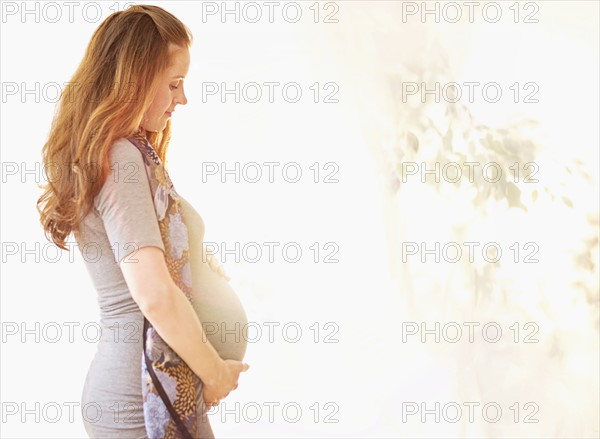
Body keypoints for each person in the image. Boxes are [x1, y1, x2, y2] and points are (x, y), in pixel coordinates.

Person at [36, 5, 249, 437]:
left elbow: (157, 271)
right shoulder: (121, 157)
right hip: (138, 398)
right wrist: (214, 373)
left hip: (152, 387)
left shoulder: (131, 154)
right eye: (173, 84)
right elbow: (152, 294)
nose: (182, 98)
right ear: (133, 80)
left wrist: (199, 272)